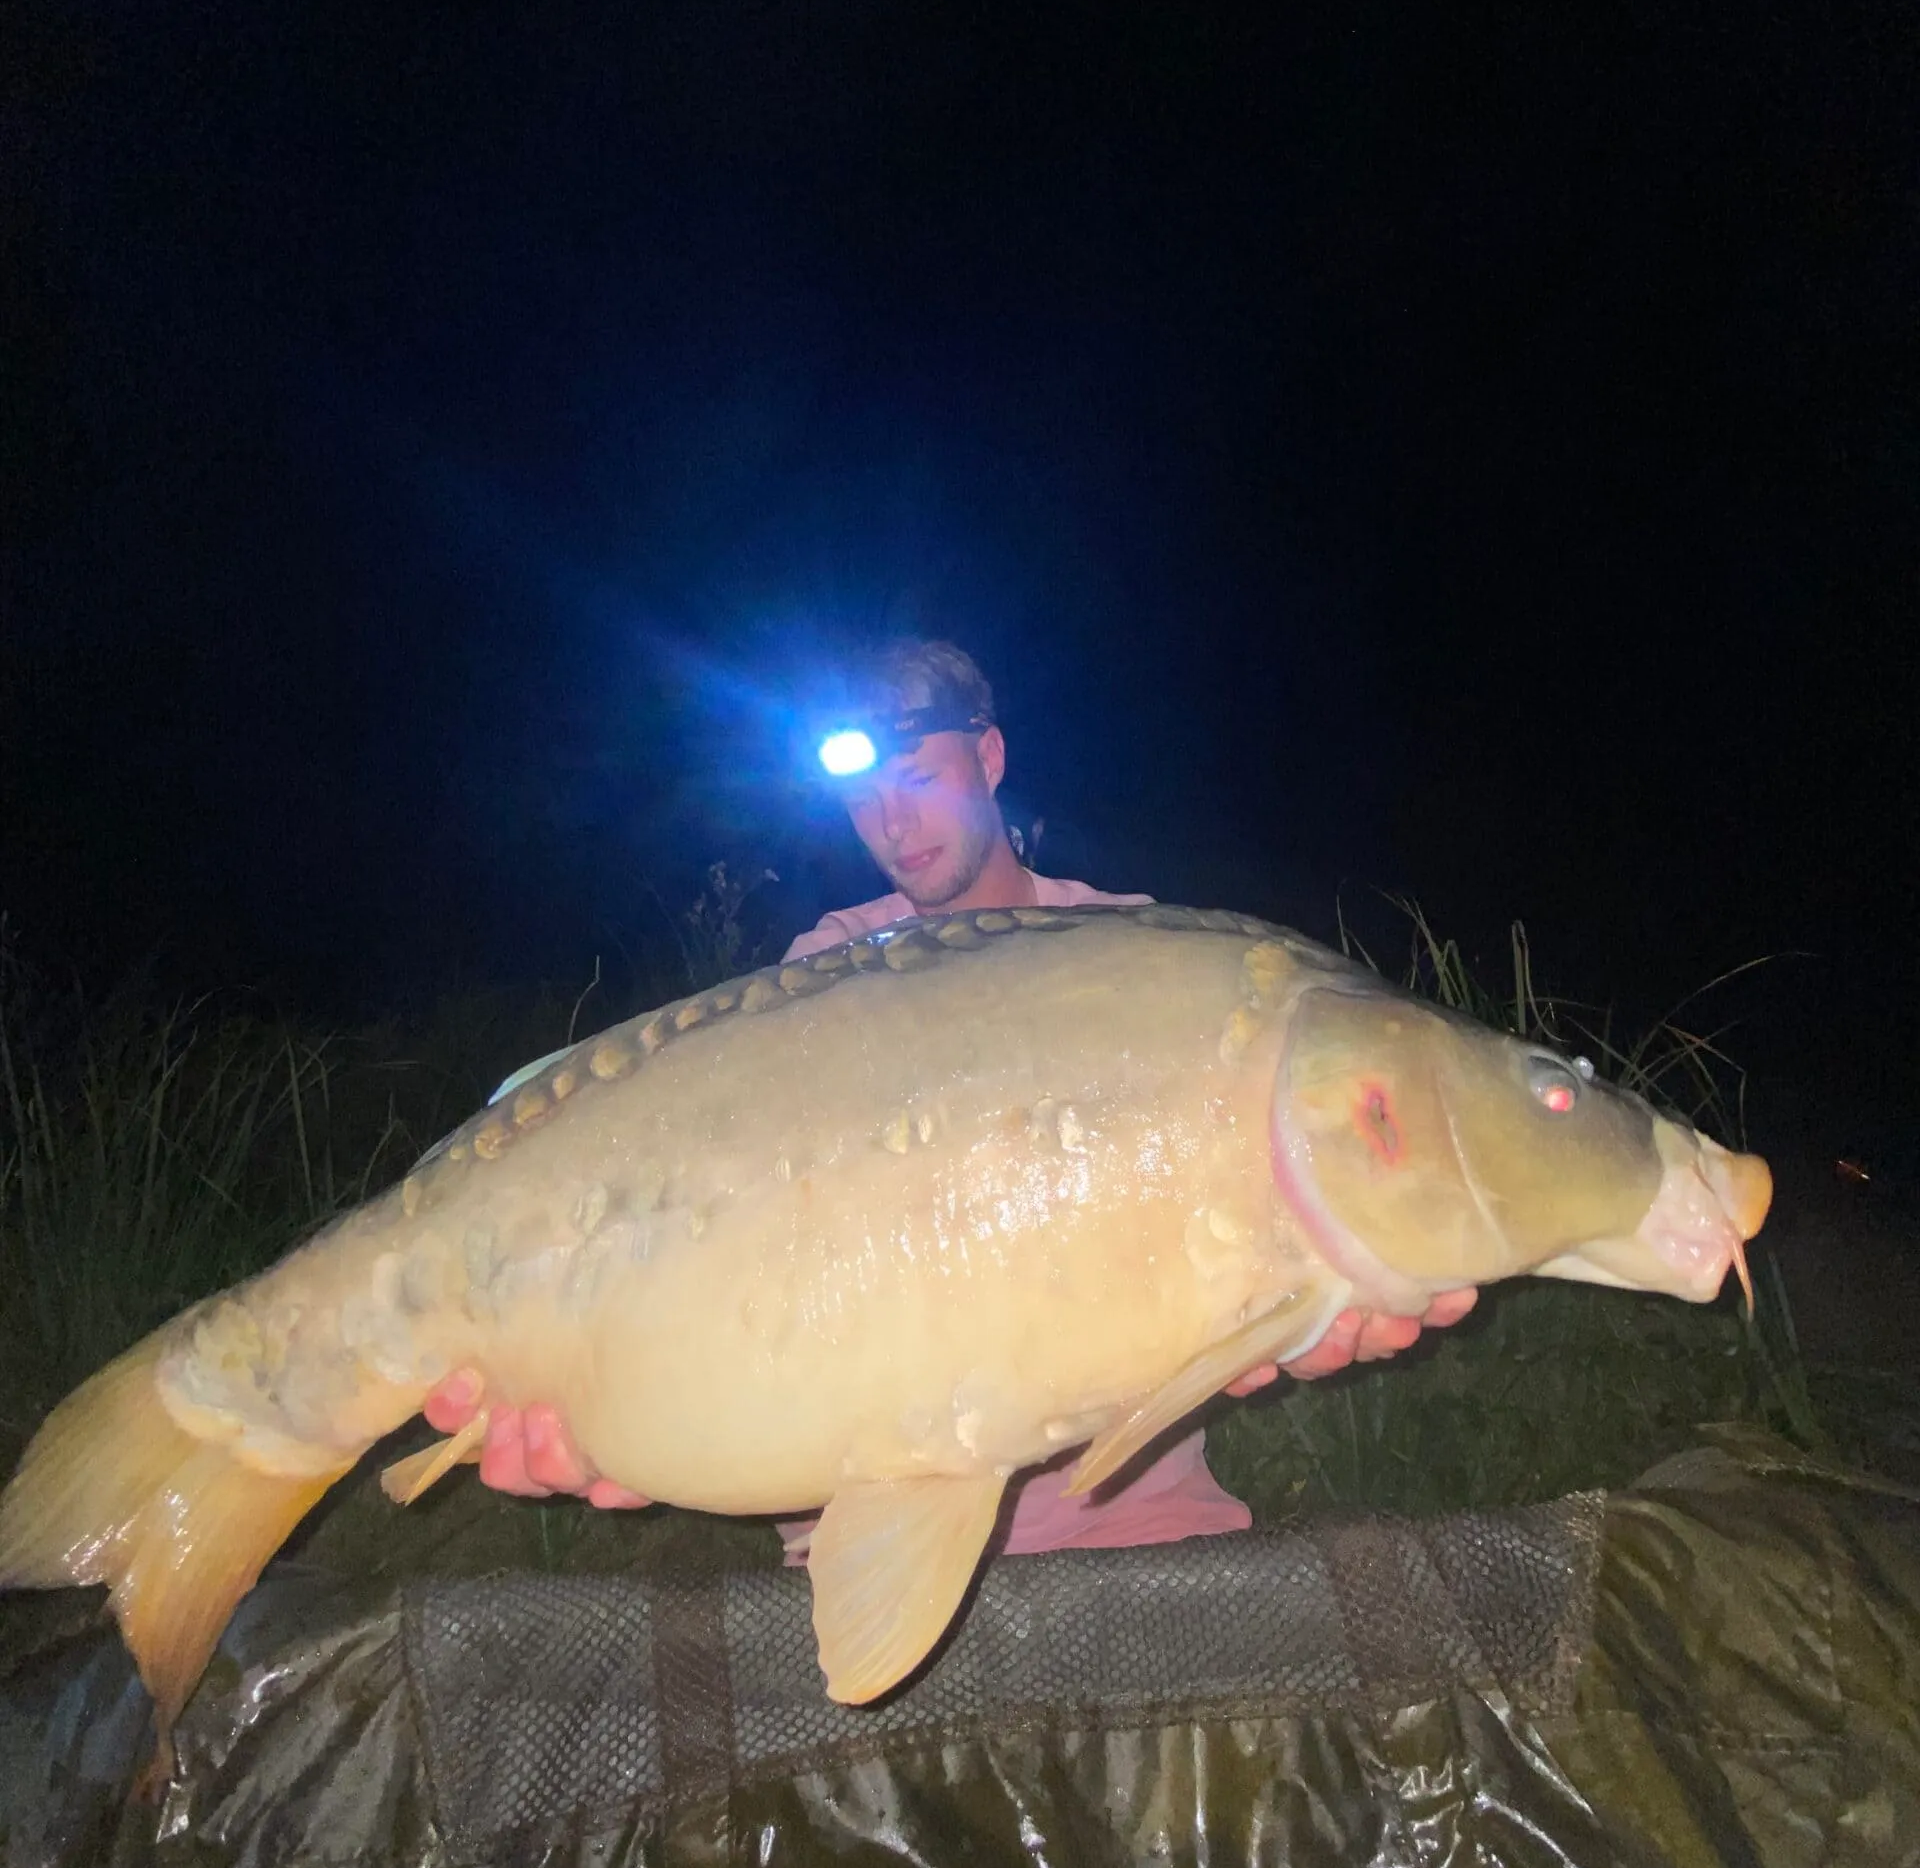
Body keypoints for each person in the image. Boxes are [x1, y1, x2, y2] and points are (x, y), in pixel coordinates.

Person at [423, 640, 1476, 1537]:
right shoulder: (815, 982)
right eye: (861, 794)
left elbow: (1256, 1248)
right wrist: (600, 1398)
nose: (891, 820)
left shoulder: (1144, 957)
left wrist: (1312, 1309)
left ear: (990, 756)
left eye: (917, 775)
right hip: (870, 1535)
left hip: (1136, 1530)